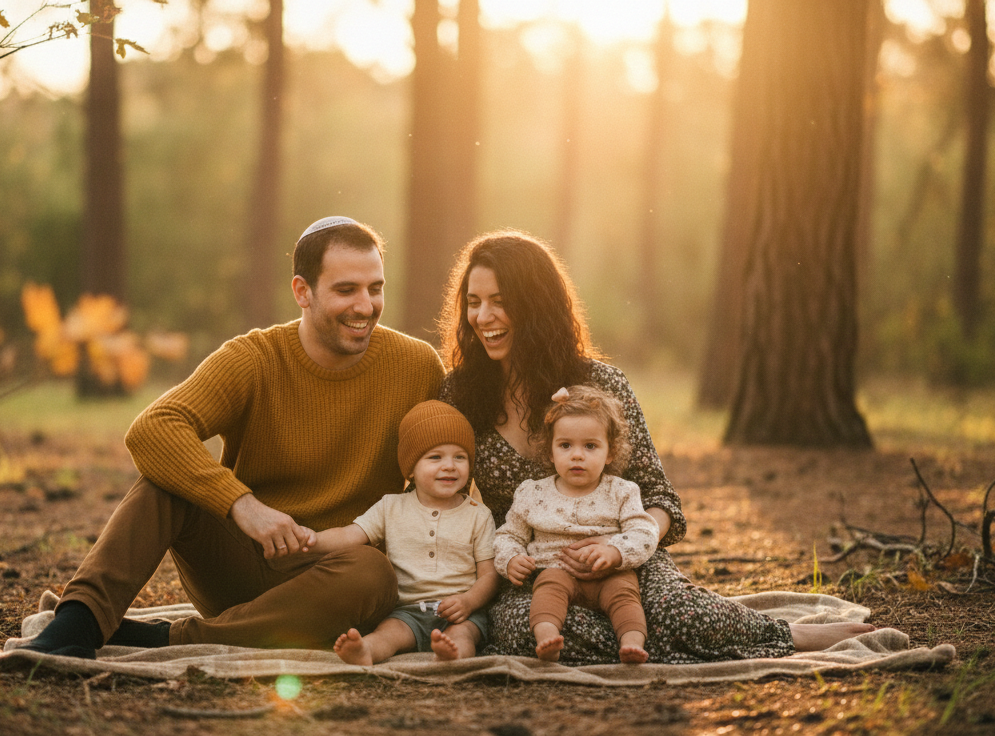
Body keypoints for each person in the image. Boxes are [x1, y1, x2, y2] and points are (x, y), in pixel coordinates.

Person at [437, 230, 875, 665]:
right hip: (533, 573)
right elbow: (438, 486)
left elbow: (659, 498)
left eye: (499, 301)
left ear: (535, 304)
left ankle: (787, 634)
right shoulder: (461, 395)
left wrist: (618, 548)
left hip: (627, 560)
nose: (483, 316)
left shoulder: (603, 385)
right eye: (473, 303)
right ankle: (651, 637)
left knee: (672, 612)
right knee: (522, 630)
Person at [22, 216, 445, 659]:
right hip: (240, 565)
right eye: (346, 290)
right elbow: (154, 427)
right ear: (302, 291)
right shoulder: (255, 358)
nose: (365, 306)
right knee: (164, 484)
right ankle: (78, 622)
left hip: (338, 580)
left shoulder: (416, 366)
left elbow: (454, 456)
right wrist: (243, 506)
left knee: (374, 572)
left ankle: (165, 640)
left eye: (375, 288)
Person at [298, 400, 498, 664]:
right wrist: (312, 539)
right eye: (435, 457)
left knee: (464, 635)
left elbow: (489, 575)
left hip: (461, 612)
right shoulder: (391, 506)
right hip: (407, 611)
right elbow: (350, 535)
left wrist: (469, 602)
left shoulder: (478, 514)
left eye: (459, 457)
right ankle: (365, 650)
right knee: (387, 634)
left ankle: (452, 655)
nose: (450, 465)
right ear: (411, 468)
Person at [494, 385, 658, 664]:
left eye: (590, 446)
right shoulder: (532, 494)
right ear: (550, 452)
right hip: (556, 570)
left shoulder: (621, 491)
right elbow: (509, 534)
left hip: (610, 573)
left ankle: (631, 644)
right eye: (565, 445)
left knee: (626, 598)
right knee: (546, 592)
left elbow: (644, 531)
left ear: (610, 453)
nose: (577, 455)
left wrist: (616, 551)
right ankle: (547, 639)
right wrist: (511, 558)